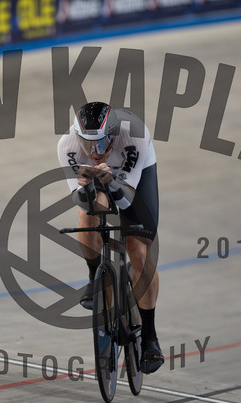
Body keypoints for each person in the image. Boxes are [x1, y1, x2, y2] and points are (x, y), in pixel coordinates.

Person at [57, 101, 164, 374]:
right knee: (87, 217)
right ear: (78, 138)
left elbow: (127, 202)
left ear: (114, 135)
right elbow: (89, 205)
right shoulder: (67, 146)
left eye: (103, 143)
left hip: (134, 179)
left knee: (138, 253)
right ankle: (95, 274)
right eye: (88, 144)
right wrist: (87, 189)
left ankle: (150, 337)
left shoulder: (134, 136)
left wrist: (111, 181)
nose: (96, 152)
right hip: (103, 181)